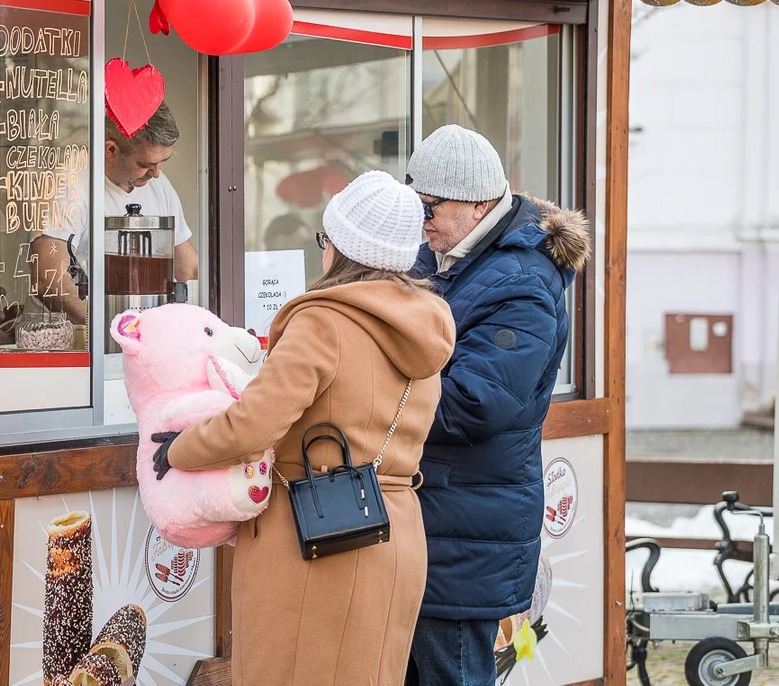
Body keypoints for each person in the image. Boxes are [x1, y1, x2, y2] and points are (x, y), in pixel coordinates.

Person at [151, 170, 456, 686]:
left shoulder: (324, 322)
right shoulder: (426, 324)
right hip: (394, 529)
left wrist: (181, 447)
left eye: (326, 240)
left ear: (341, 248)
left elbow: (253, 425)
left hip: (315, 537)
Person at [403, 124, 590, 686]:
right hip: (435, 515)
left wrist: (366, 396)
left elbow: (472, 405)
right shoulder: (441, 253)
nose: (421, 218)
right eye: (413, 204)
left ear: (480, 202)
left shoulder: (524, 283)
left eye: (431, 205)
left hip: (467, 530)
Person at [33, 102, 197, 324]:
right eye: (144, 164)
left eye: (162, 162)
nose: (156, 174)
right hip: (74, 337)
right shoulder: (71, 184)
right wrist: (113, 330)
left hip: (134, 333)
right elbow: (51, 279)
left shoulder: (159, 184)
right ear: (111, 150)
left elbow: (189, 269)